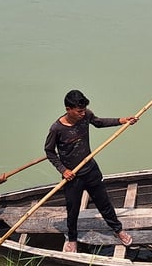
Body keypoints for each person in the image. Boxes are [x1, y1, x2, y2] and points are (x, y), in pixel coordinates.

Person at [44, 89, 138, 253]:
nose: (82, 114)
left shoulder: (86, 115)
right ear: (68, 109)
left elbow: (99, 122)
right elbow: (49, 152)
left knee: (105, 204)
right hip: (72, 177)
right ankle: (72, 238)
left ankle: (118, 230)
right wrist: (63, 169)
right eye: (79, 111)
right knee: (72, 210)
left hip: (91, 170)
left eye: (83, 110)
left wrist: (122, 120)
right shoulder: (56, 129)